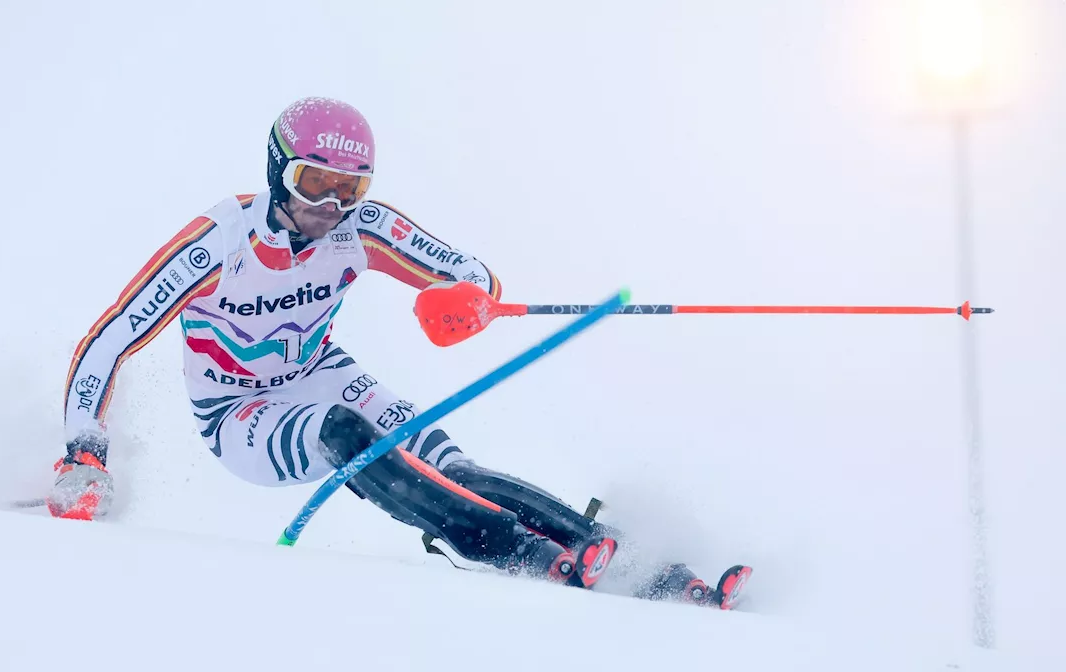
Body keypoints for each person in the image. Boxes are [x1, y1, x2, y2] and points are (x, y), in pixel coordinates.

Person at [47, 96, 747, 606]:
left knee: (446, 460)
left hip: (321, 371)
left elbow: (473, 274)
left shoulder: (362, 228)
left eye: (350, 189)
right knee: (344, 435)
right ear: (277, 172)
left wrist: (466, 301)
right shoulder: (217, 243)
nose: (332, 206)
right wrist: (84, 449)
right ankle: (510, 549)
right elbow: (111, 337)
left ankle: (640, 563)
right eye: (313, 183)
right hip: (239, 413)